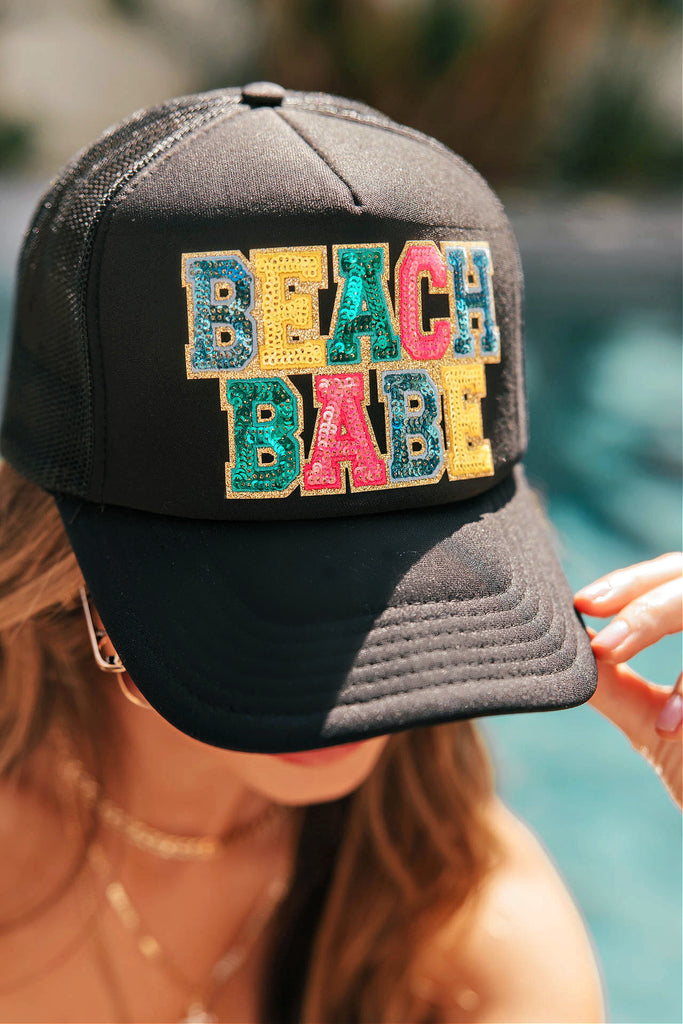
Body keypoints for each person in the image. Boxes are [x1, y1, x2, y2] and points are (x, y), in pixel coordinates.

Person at [0, 83, 679, 1024]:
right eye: (281, 582)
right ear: (59, 545)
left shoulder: (472, 922)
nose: (351, 667)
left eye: (405, 583)